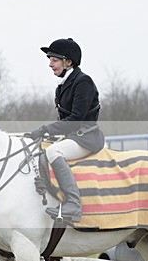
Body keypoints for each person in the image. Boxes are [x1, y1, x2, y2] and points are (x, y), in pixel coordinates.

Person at [25, 38, 104, 223]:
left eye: (54, 60)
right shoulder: (63, 85)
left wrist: (44, 129)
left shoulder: (83, 82)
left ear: (68, 62)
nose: (50, 64)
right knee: (39, 149)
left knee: (54, 151)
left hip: (87, 137)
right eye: (49, 60)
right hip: (74, 136)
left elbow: (75, 120)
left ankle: (73, 204)